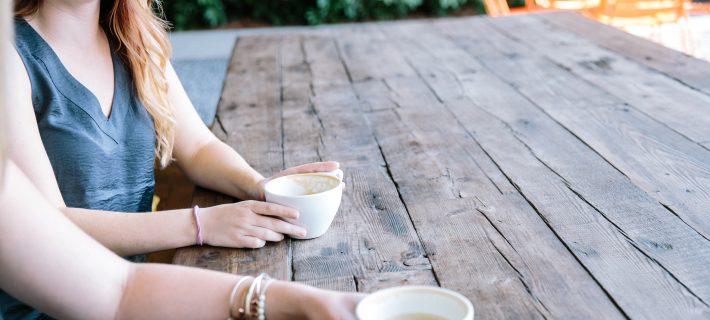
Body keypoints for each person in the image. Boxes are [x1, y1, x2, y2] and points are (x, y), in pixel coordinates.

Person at [0, 1, 363, 319]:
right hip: (42, 307)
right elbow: (53, 223)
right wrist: (200, 224)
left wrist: (260, 186)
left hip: (140, 292)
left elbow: (198, 147)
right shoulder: (11, 57)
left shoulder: (135, 41)